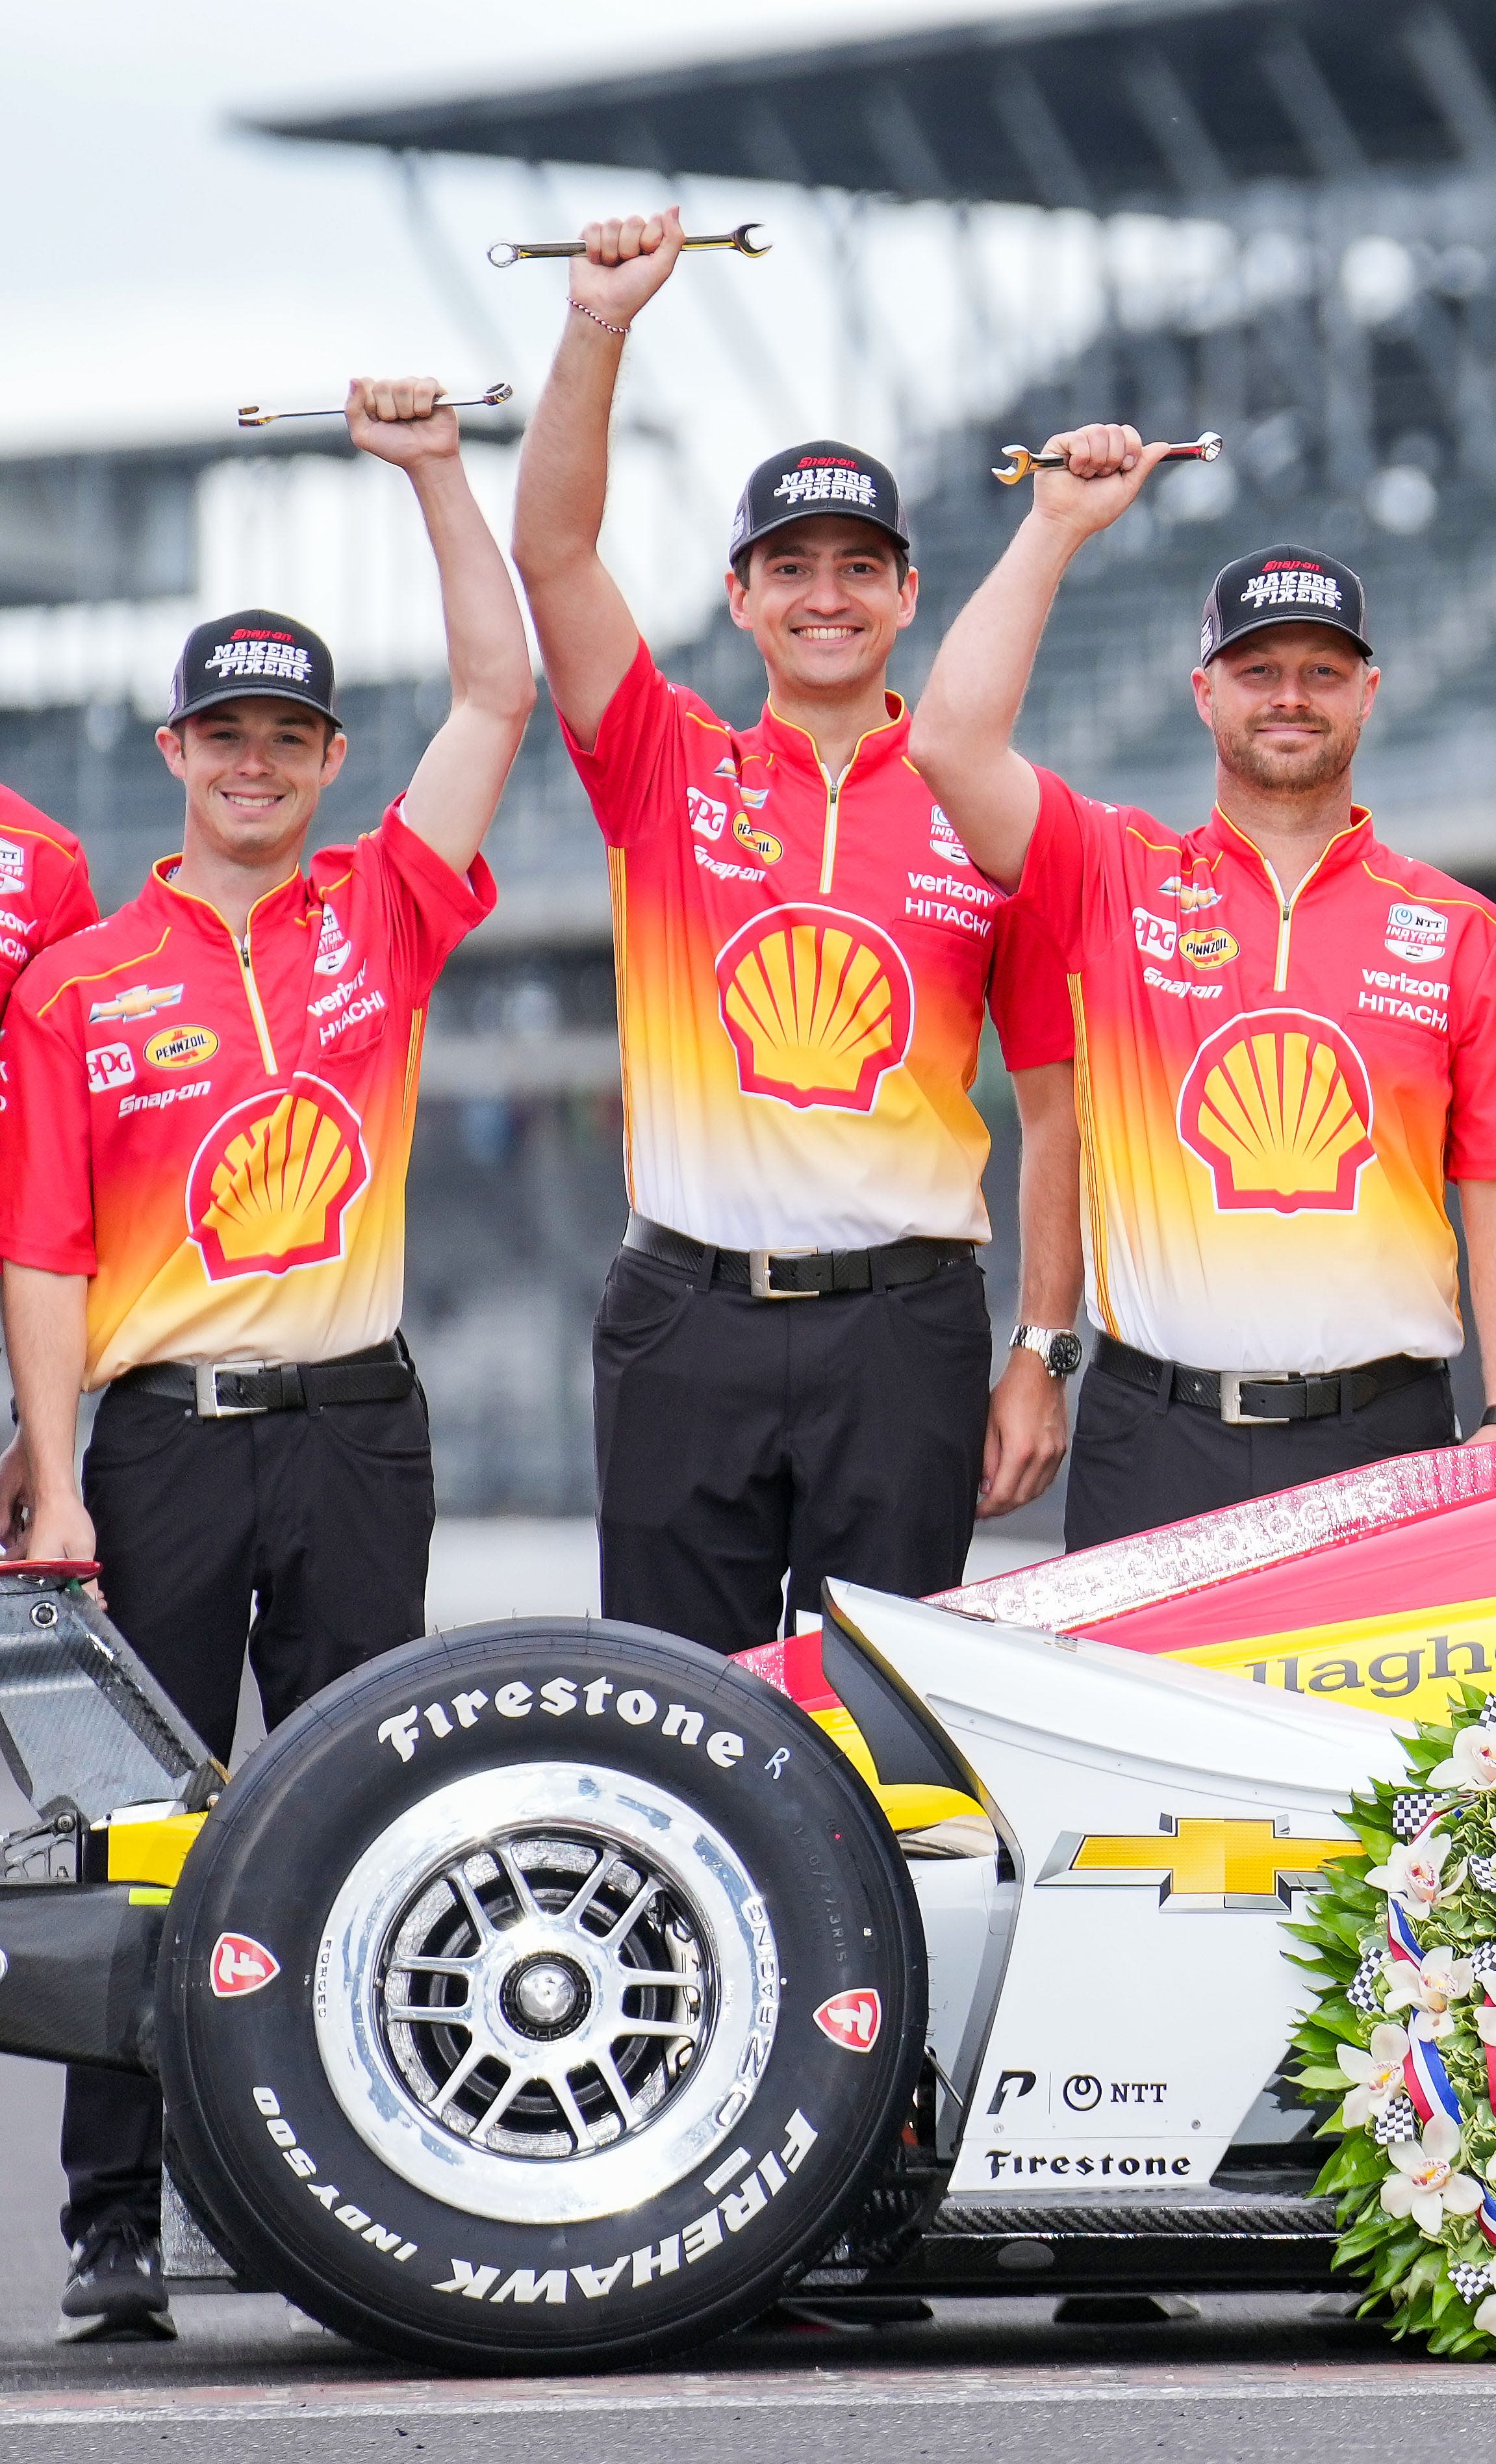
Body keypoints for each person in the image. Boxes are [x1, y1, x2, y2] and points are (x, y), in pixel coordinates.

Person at [0, 380, 526, 2339]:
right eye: (224, 733)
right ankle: (112, 2220)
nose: (254, 762)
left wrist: (432, 474)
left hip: (354, 1432)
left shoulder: (387, 909)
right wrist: (54, 1478)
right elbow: (42, 1245)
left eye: (288, 736)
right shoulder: (79, 984)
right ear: (175, 750)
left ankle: (345, 2177)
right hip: (153, 1443)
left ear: (323, 757)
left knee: (355, 1800)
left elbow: (494, 698)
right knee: (135, 1824)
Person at [512, 207, 1071, 1650]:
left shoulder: (990, 802)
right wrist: (597, 326)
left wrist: (1039, 1354)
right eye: (793, 568)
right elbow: (556, 556)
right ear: (741, 595)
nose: (827, 596)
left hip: (906, 1327)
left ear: (906, 593)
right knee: (673, 1704)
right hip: (681, 1310)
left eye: (858, 567)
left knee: (886, 1732)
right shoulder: (664, 761)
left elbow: (1059, 1105)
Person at [911, 440, 1496, 1545]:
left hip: (1384, 1436)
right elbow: (948, 742)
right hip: (1153, 1430)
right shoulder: (1110, 873)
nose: (1290, 699)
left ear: (1368, 693)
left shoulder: (1463, 929)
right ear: (1203, 692)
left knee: (1368, 1728)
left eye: (1321, 672)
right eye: (1259, 671)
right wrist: (1057, 524)